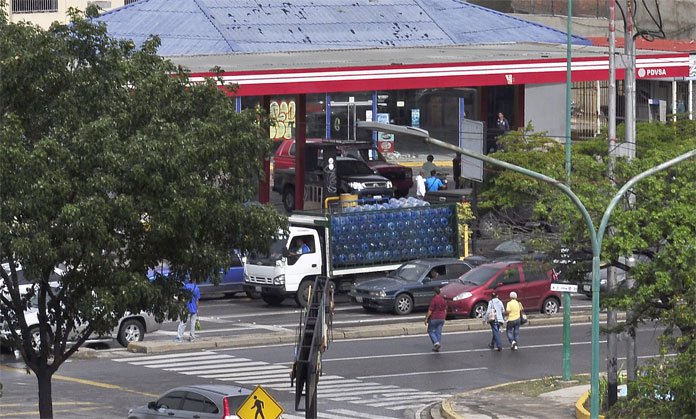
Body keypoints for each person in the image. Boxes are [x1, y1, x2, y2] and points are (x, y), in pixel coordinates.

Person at [175, 275, 200, 342]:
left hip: (186, 308)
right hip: (194, 308)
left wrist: (181, 305)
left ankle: (179, 337)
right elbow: (197, 300)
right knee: (193, 323)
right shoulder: (196, 288)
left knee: (183, 323)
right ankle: (192, 337)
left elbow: (182, 297)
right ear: (194, 280)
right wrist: (197, 310)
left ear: (189, 280)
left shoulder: (185, 287)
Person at [424, 287, 447, 352]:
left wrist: (426, 318)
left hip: (434, 318)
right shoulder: (443, 300)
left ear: (434, 292)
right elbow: (445, 310)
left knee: (430, 331)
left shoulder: (434, 300)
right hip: (441, 318)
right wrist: (444, 318)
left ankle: (436, 343)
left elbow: (430, 310)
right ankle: (438, 345)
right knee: (438, 332)